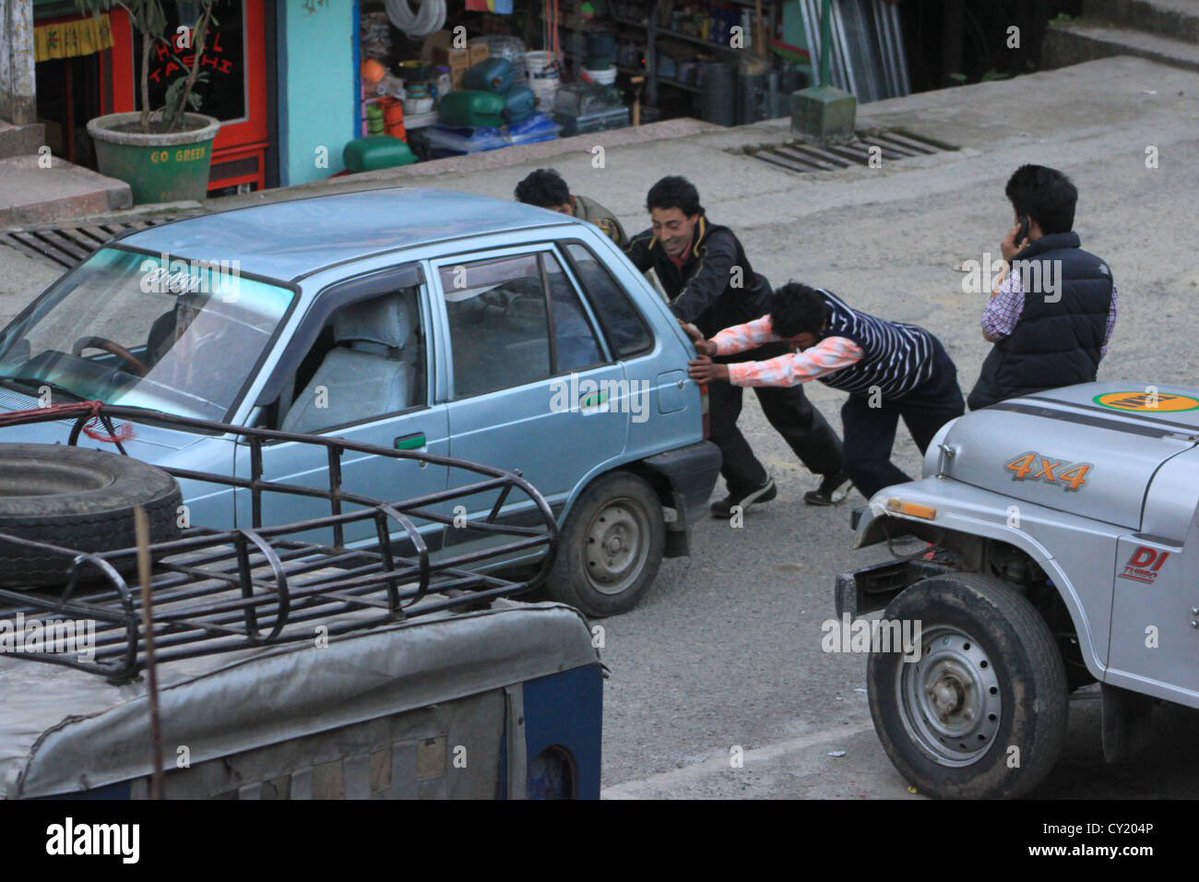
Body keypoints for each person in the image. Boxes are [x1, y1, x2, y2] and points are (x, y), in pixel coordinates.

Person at [626, 176, 849, 516]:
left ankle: (839, 470)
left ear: (695, 217)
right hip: (714, 341)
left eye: (673, 225)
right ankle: (751, 483)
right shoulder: (651, 244)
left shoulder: (721, 245)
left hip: (760, 333)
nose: (664, 235)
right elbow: (614, 268)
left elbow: (704, 288)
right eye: (657, 225)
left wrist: (666, 322)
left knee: (786, 410)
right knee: (710, 418)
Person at [688, 283, 965, 502]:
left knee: (946, 465)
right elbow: (758, 330)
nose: (794, 347)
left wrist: (725, 372)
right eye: (788, 341)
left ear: (818, 326)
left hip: (926, 383)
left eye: (799, 342)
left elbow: (790, 370)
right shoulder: (809, 308)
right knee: (860, 463)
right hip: (873, 391)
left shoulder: (844, 343)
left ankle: (971, 526)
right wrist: (714, 346)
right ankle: (909, 513)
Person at [968, 164, 1118, 410]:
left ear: (1025, 223)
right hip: (1073, 398)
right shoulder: (1100, 270)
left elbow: (992, 328)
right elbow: (1102, 340)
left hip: (1008, 401)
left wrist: (1009, 264)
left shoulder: (1023, 274)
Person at [514, 168, 628, 248]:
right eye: (548, 217)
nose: (558, 221)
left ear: (572, 202)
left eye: (562, 212)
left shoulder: (599, 228)